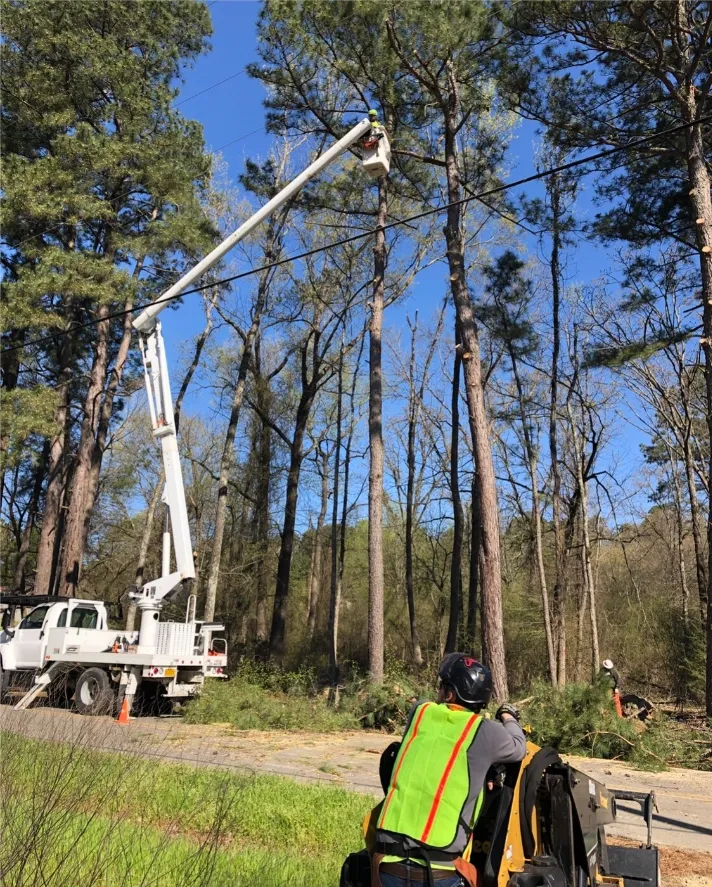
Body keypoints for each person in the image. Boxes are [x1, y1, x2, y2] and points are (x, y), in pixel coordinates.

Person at [371, 653, 527, 887]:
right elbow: (519, 747)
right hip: (439, 872)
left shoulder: (419, 713)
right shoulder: (485, 731)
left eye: (442, 687)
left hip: (385, 865)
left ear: (450, 693)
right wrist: (508, 715)